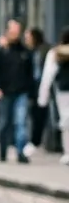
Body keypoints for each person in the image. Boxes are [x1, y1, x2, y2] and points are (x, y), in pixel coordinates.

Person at [0, 19, 34, 163]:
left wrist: (31, 91)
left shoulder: (24, 51)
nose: (15, 33)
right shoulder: (1, 51)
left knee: (21, 122)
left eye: (17, 30)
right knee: (5, 122)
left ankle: (20, 152)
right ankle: (3, 152)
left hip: (21, 92)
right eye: (12, 30)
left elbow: (30, 72)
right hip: (5, 92)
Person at [36, 28, 69, 165]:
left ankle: (68, 152)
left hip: (64, 90)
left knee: (66, 121)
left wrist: (42, 98)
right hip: (64, 90)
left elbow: (47, 77)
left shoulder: (56, 53)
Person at [27, 26, 49, 153]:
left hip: (44, 86)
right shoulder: (31, 51)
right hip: (34, 87)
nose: (27, 39)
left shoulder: (44, 50)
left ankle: (37, 141)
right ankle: (35, 141)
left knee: (41, 115)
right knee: (35, 114)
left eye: (28, 37)